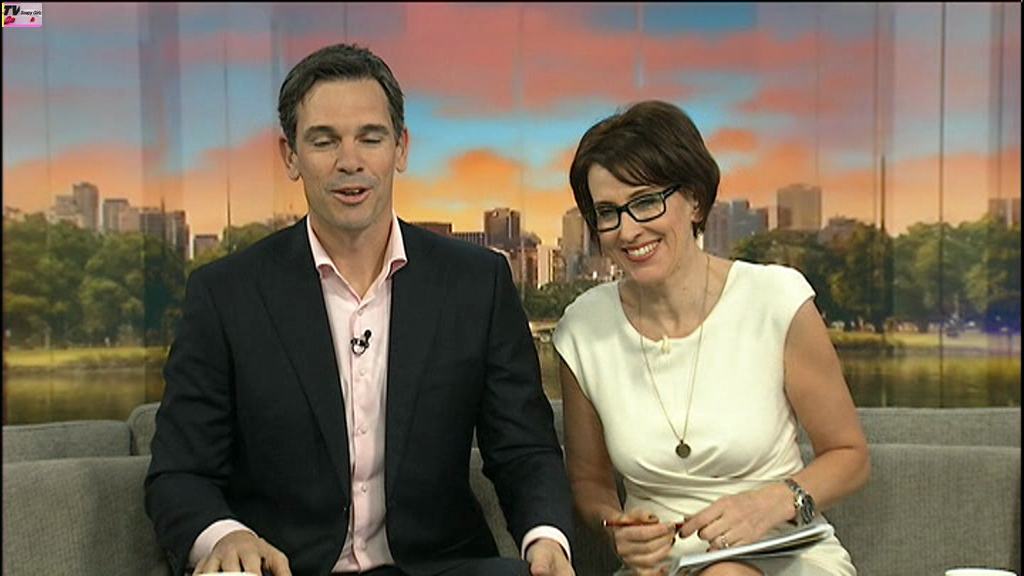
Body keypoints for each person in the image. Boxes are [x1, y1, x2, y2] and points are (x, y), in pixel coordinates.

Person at [145, 42, 575, 576]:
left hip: (440, 566)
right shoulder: (226, 294)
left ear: (401, 148)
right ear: (290, 156)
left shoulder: (476, 283)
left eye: (370, 138)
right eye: (324, 140)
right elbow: (180, 472)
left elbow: (524, 449)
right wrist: (227, 536)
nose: (350, 162)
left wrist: (546, 538)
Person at [553, 100, 870, 576]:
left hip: (782, 550)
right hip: (662, 566)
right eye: (607, 212)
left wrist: (774, 501)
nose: (628, 230)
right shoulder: (583, 328)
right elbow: (589, 481)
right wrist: (615, 527)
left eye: (646, 202)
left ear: (696, 200)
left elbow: (850, 457)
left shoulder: (776, 300)